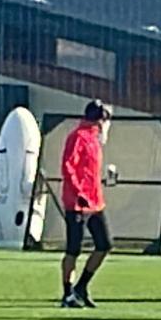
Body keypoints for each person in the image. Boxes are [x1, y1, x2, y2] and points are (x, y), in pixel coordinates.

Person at [60, 100, 114, 308]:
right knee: (73, 249)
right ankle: (67, 293)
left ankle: (81, 286)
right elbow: (68, 167)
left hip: (95, 202)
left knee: (105, 244)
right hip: (77, 203)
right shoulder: (78, 137)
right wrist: (78, 192)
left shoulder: (94, 139)